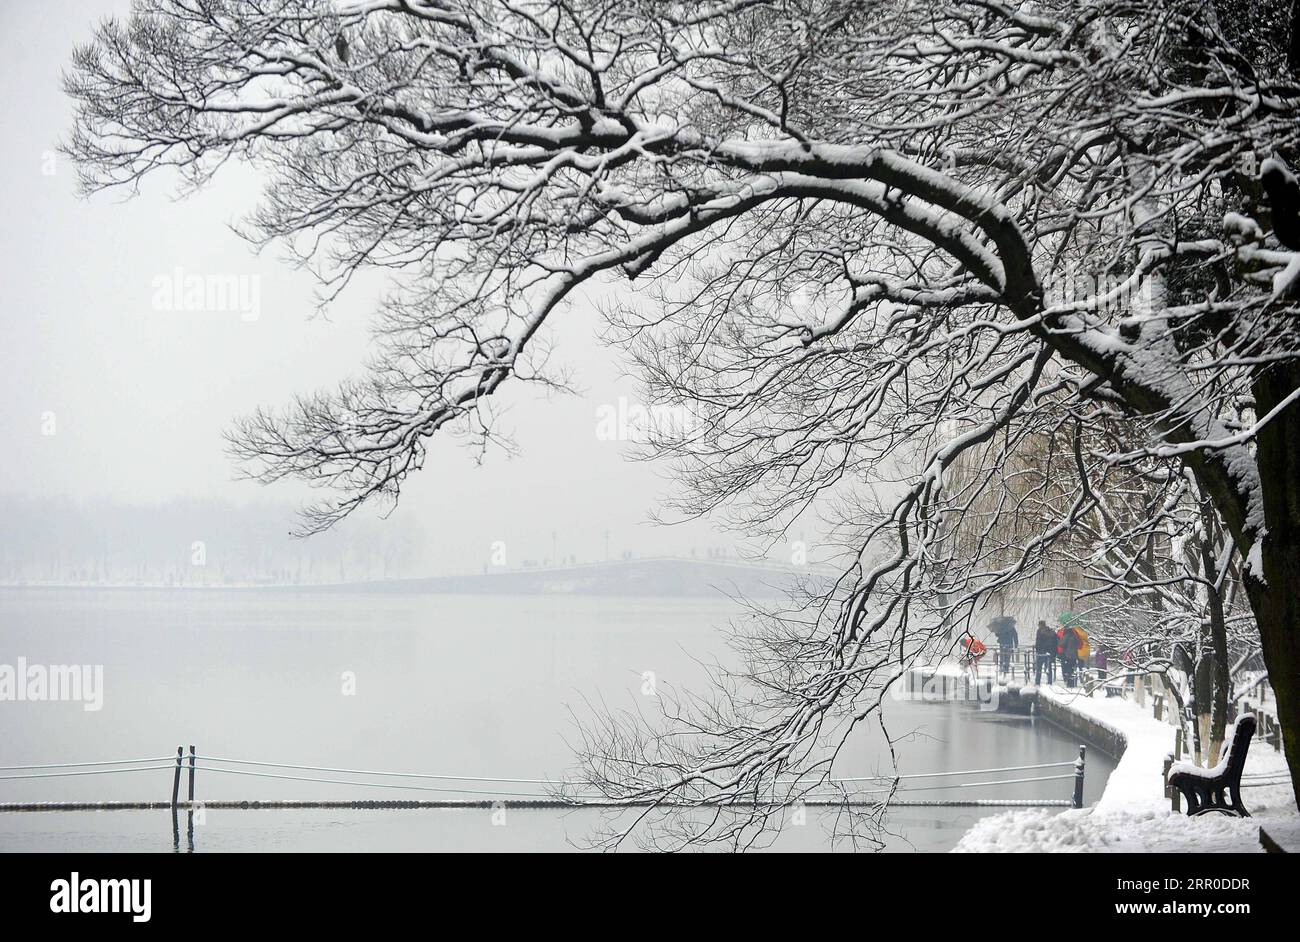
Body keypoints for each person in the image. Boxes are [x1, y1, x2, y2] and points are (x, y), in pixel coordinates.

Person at [1034, 619, 1057, 685]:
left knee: (1039, 668)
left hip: (1041, 652)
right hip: (1048, 653)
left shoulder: (1039, 631)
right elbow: (1054, 642)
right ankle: (1049, 682)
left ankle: (1037, 682)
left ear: (1040, 625)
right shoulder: (1050, 631)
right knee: (1048, 668)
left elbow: (1038, 642)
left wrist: (1037, 649)